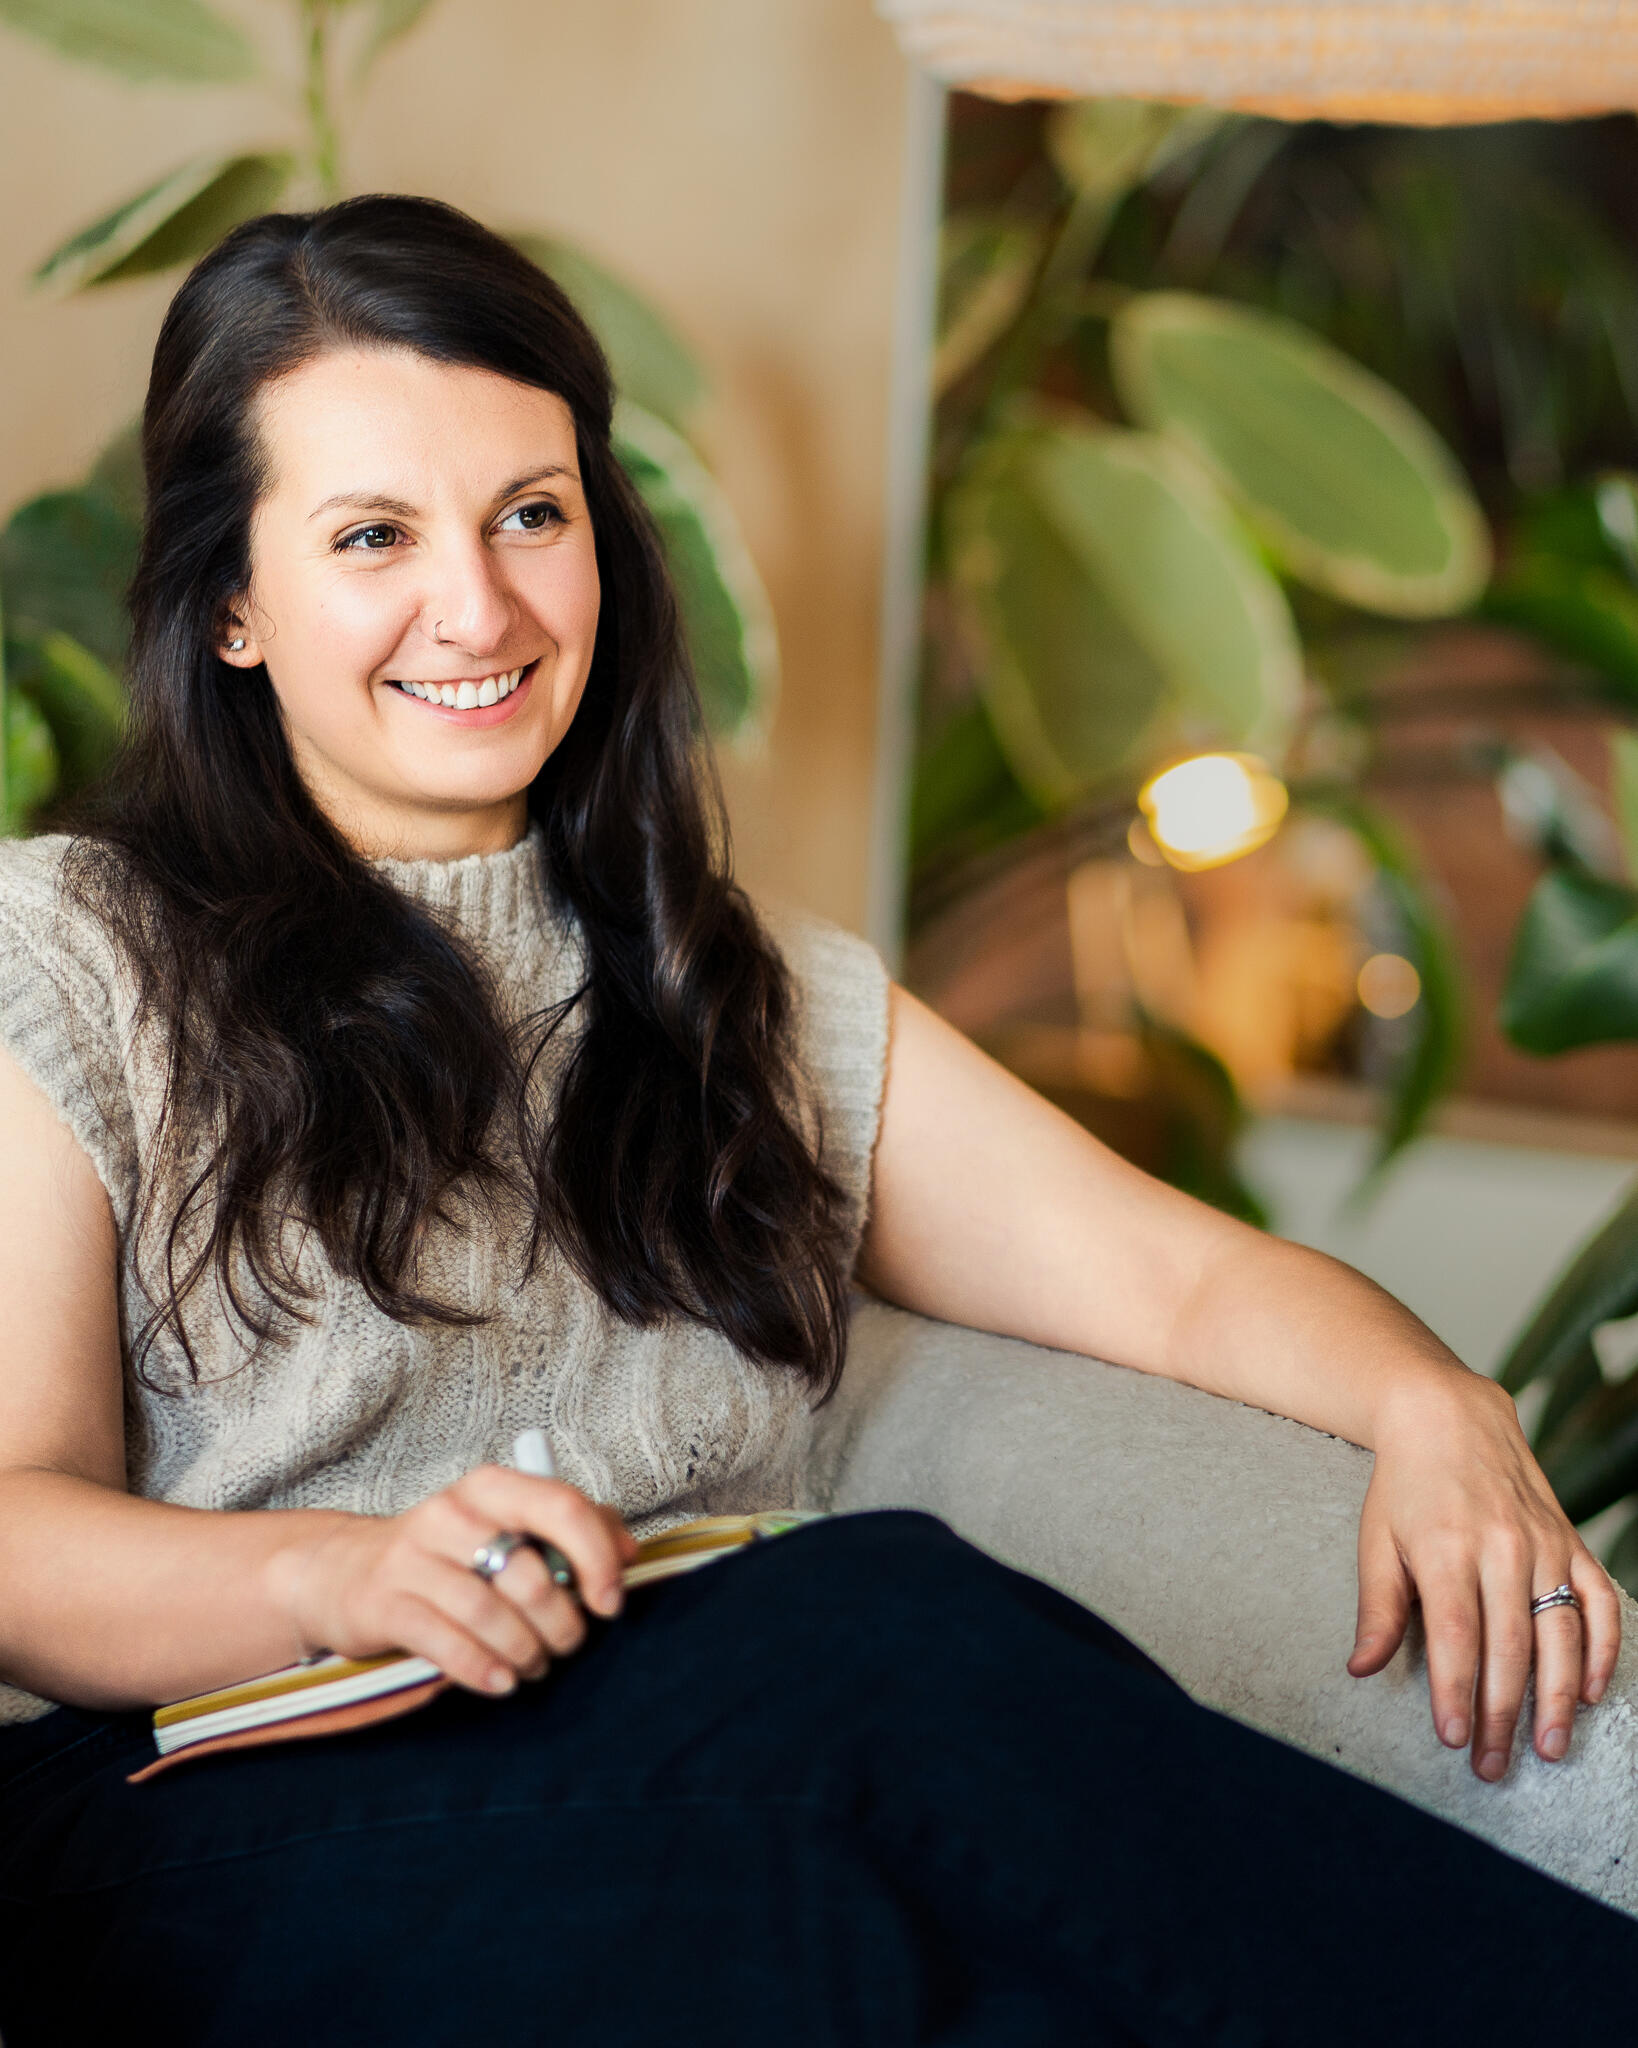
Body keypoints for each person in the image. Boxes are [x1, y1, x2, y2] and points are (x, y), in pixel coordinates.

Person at [0, 194, 1632, 2047]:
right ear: (230, 602)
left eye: (531, 513)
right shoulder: (69, 950)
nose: (478, 605)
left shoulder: (734, 986)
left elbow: (1175, 1287)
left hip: (678, 1802)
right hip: (192, 1804)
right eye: (373, 535)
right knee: (876, 1635)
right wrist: (341, 1570)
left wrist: (1435, 1404)